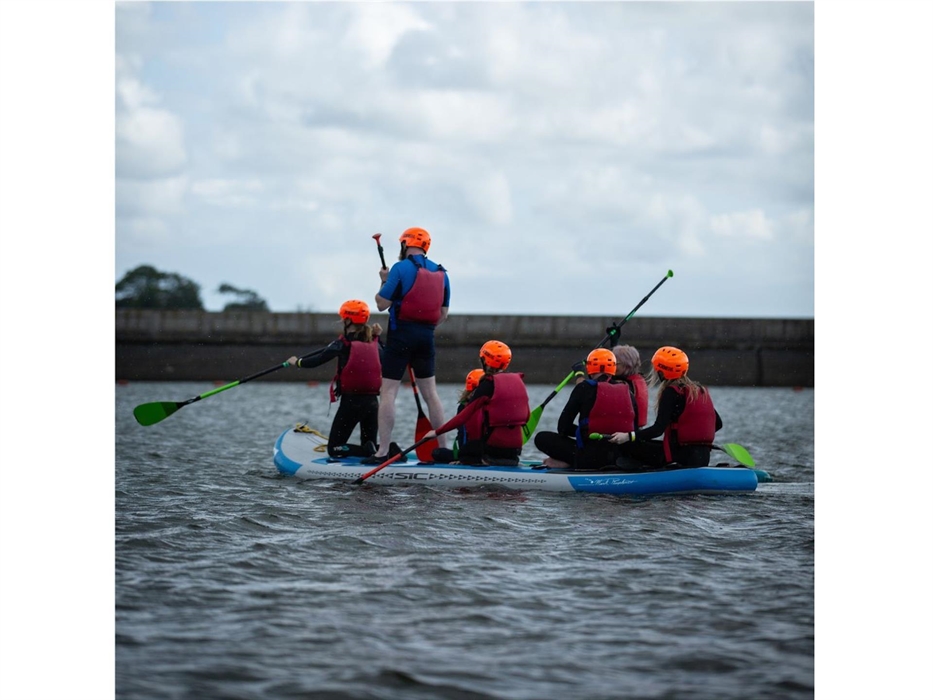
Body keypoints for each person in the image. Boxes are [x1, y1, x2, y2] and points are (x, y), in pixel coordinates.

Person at [363, 227, 451, 464]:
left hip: (400, 335)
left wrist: (383, 281)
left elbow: (382, 304)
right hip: (426, 337)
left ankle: (382, 451)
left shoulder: (400, 268)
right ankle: (443, 449)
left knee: (389, 392)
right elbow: (443, 314)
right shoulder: (442, 272)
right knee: (431, 394)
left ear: (404, 244)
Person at [287, 300, 382, 458]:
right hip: (373, 403)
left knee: (335, 449)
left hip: (351, 403)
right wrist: (378, 336)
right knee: (368, 442)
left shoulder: (342, 343)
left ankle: (368, 451)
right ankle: (382, 450)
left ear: (348, 320)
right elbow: (384, 355)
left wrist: (297, 362)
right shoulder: (375, 342)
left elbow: (318, 360)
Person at [607, 346, 723, 467]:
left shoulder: (671, 392)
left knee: (627, 444)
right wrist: (697, 442)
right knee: (644, 441)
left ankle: (633, 472)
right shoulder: (698, 391)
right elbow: (718, 424)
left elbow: (658, 429)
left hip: (679, 457)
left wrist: (628, 436)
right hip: (702, 457)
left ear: (662, 371)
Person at [422, 341, 529, 466]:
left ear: (485, 360)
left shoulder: (488, 385)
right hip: (515, 450)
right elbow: (526, 416)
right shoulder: (518, 382)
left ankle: (476, 460)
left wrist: (436, 432)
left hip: (492, 450)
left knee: (439, 453)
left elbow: (464, 416)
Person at [534, 348, 638, 470]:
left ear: (589, 369)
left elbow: (563, 428)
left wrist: (585, 430)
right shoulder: (628, 392)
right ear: (613, 369)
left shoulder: (583, 388)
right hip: (619, 457)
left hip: (588, 457)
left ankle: (570, 462)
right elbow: (634, 429)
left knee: (541, 437)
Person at [430, 368, 484, 464]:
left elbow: (462, 434)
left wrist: (461, 459)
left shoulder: (464, 406)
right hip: (493, 453)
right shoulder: (495, 406)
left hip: (470, 455)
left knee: (437, 453)